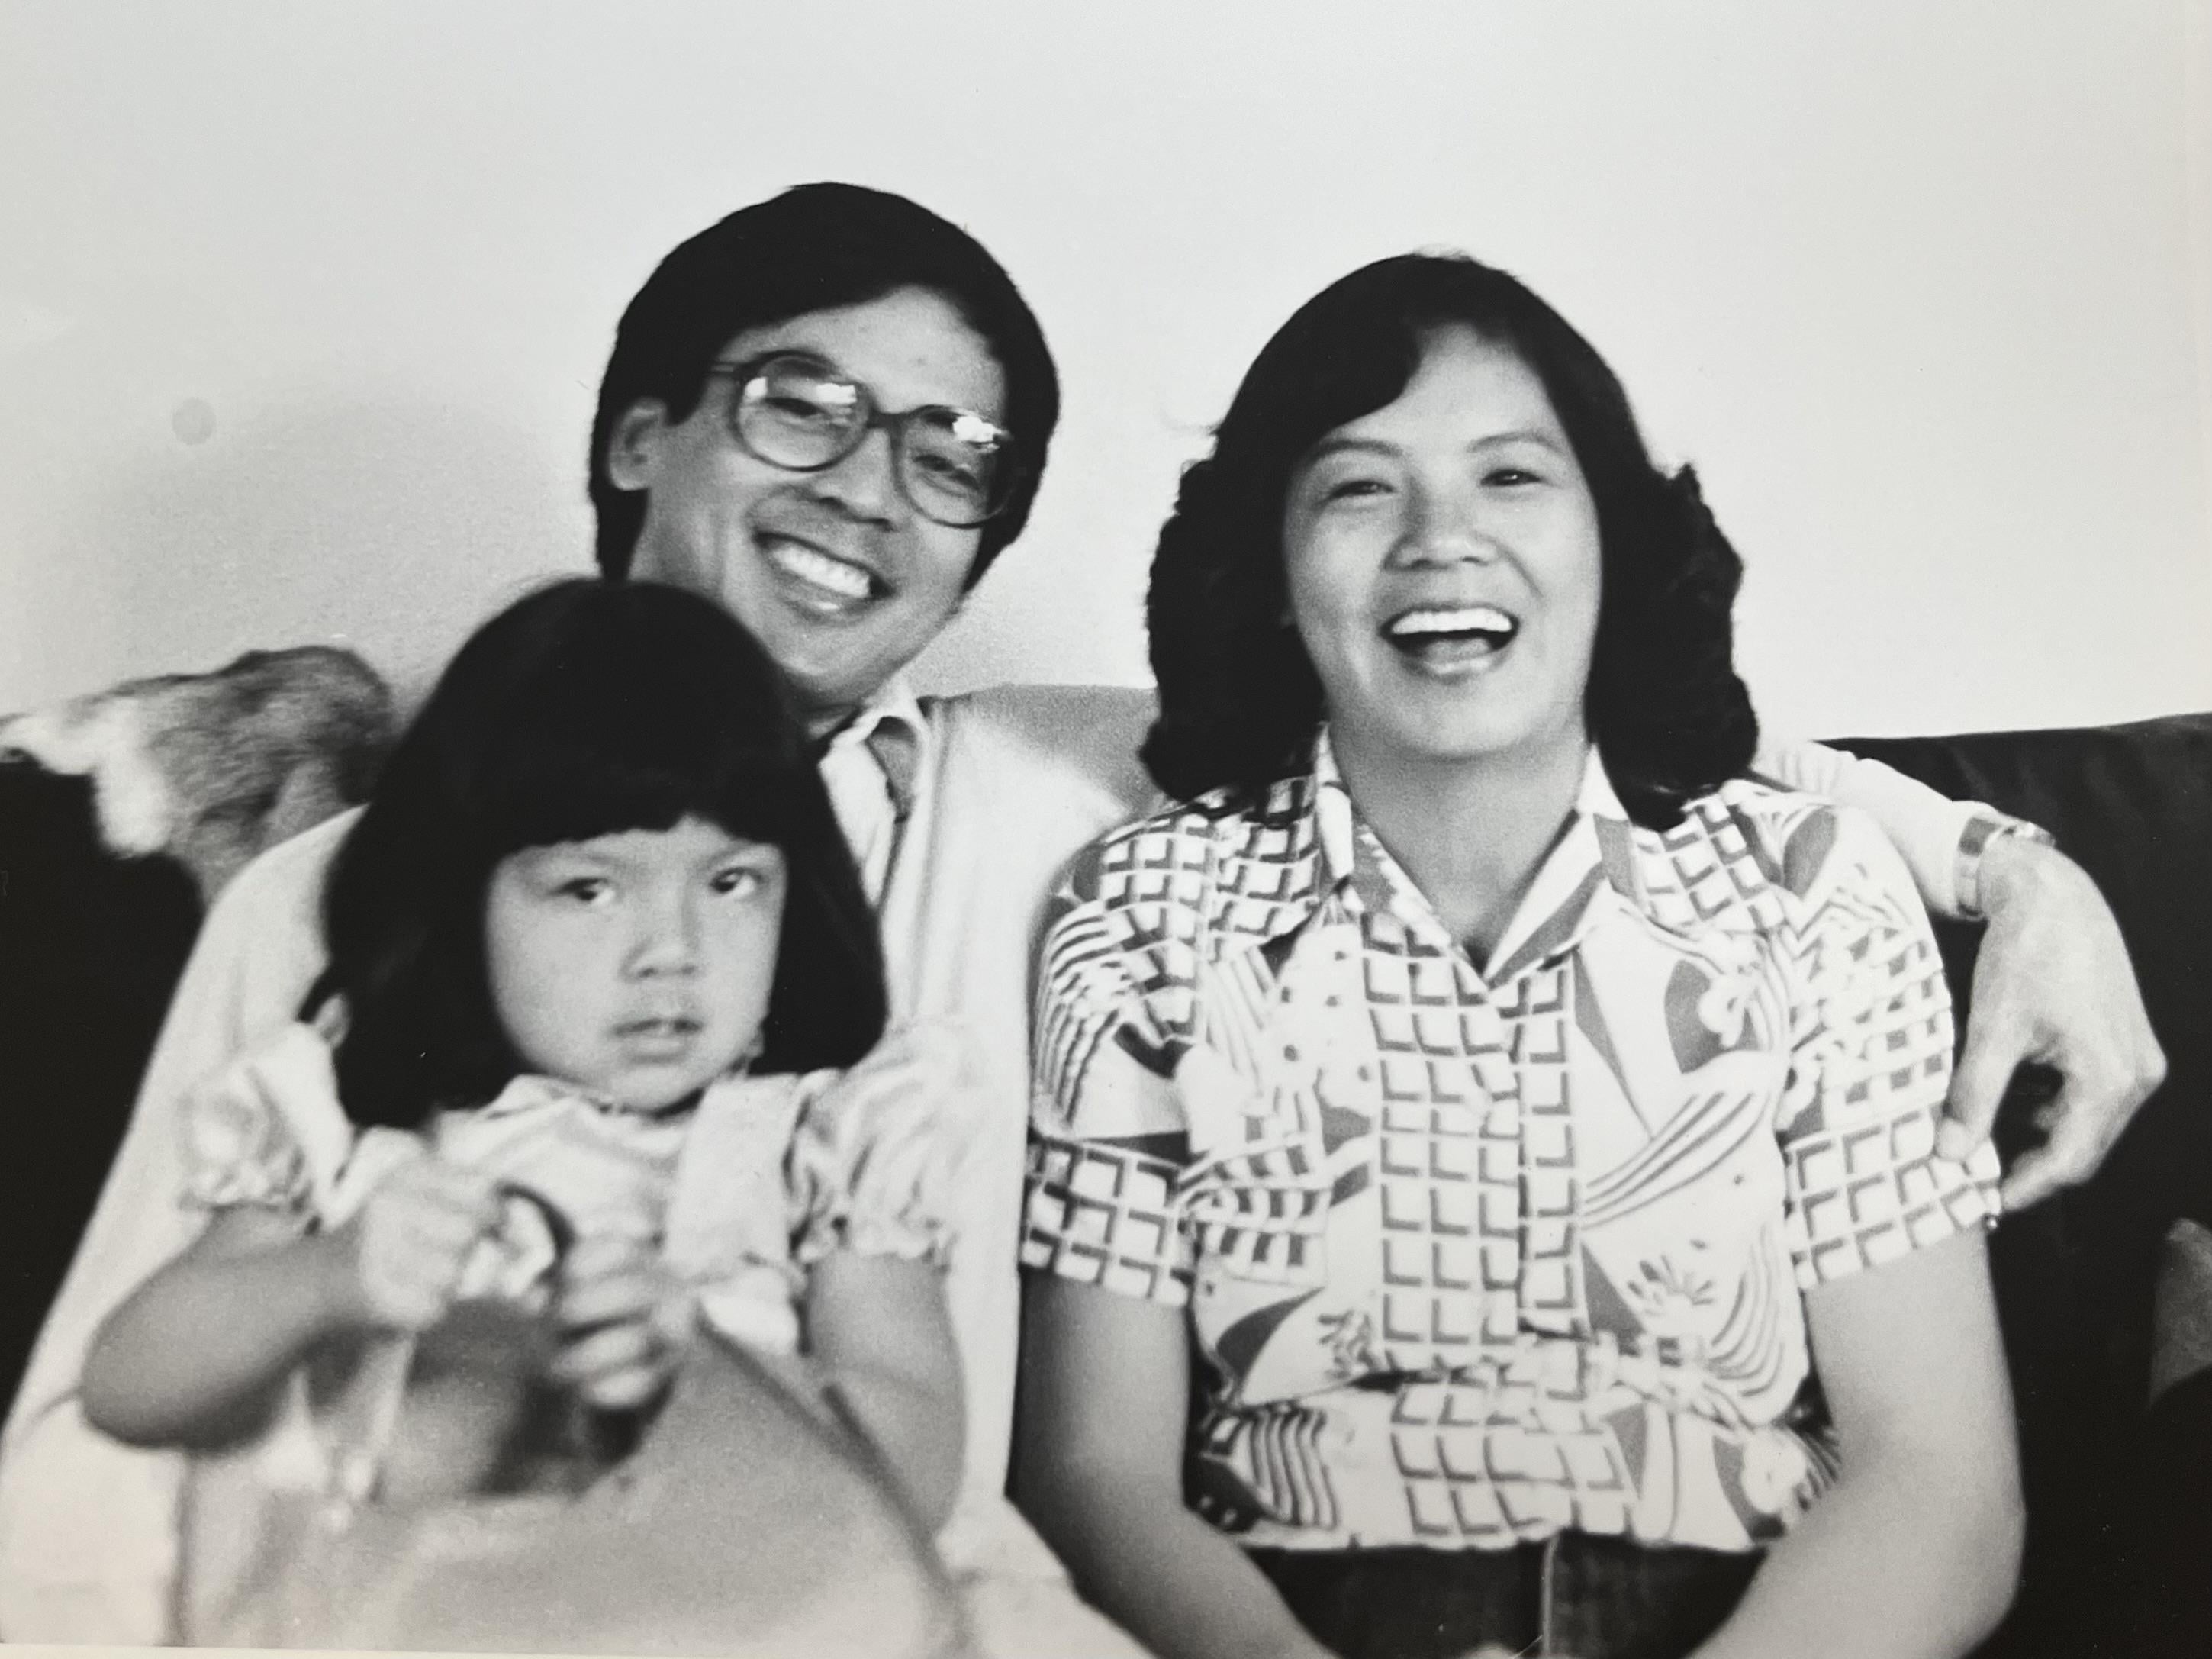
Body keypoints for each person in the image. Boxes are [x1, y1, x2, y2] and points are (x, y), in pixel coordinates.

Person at [0, 183, 2159, 1644]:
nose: (871, 489)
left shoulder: (1024, 794)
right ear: (637, 431)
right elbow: (95, 1434)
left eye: (951, 457)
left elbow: (1509, 717)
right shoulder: (319, 892)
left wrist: (2001, 860)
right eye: (799, 405)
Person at [1015, 253, 2025, 1659]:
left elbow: (1942, 1487)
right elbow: (1089, 1475)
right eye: (1360, 486)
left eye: (1511, 478)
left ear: (1612, 539)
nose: (1442, 539)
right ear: (1266, 572)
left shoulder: (1812, 889)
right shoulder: (1136, 910)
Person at [76, 578, 968, 1632]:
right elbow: (129, 1386)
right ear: (465, 896)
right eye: (591, 889)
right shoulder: (344, 1109)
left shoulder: (820, 1131)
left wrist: (721, 1380)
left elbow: (918, 1458)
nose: (670, 954)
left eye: (731, 882)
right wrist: (322, 1279)